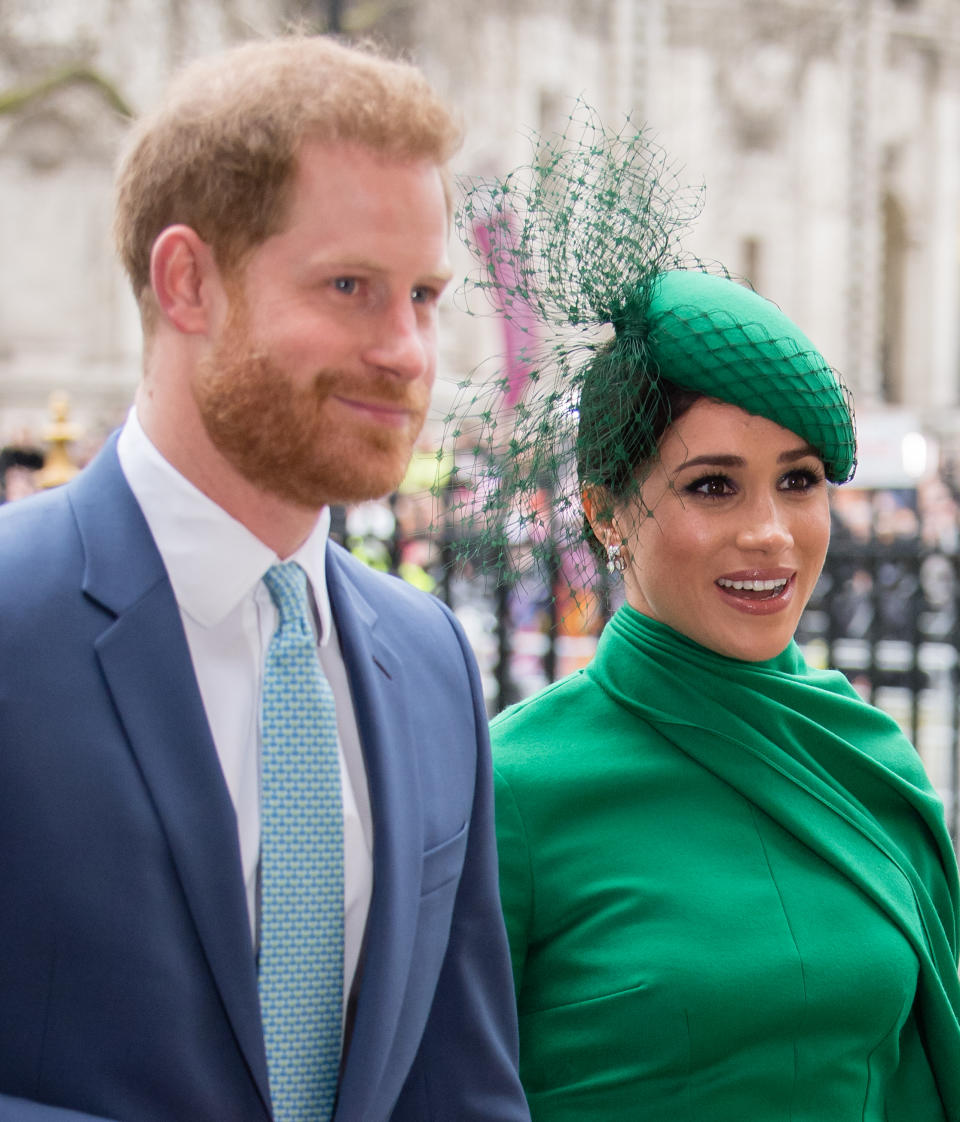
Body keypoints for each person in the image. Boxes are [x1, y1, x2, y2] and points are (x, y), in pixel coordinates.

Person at [0, 35, 528, 1122]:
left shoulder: (430, 661)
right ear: (188, 281)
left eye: (424, 295)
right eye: (350, 286)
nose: (409, 350)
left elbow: (461, 1085)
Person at [452, 108, 960, 1120]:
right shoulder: (510, 791)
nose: (771, 533)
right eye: (713, 488)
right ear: (607, 511)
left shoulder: (873, 758)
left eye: (801, 481)